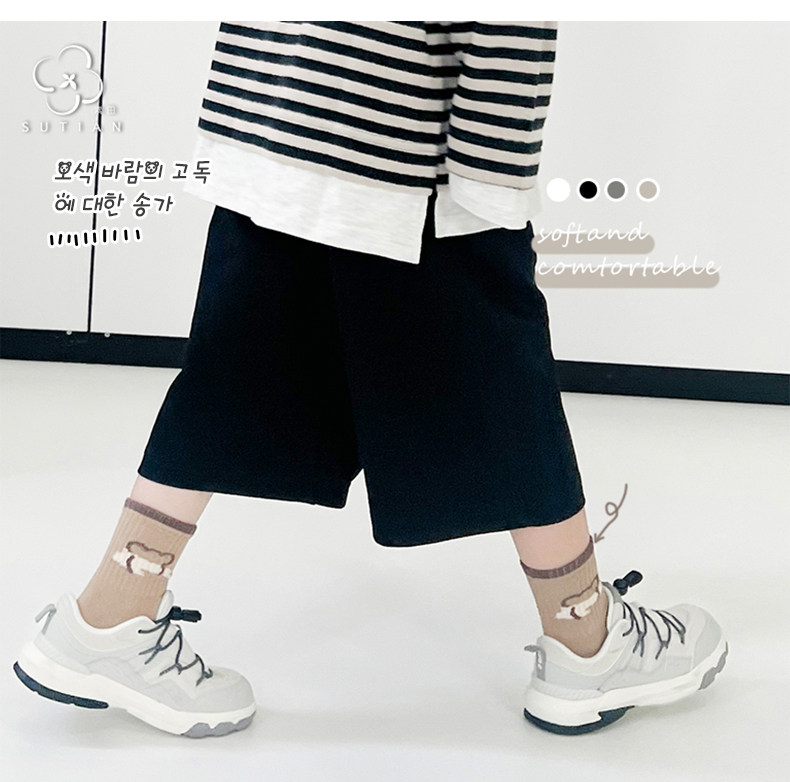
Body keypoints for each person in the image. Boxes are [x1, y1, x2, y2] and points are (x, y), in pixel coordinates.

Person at [13, 21, 727, 738]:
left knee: (233, 375)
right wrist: (492, 186)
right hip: (404, 135)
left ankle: (110, 613)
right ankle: (588, 642)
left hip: (279, 106)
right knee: (505, 392)